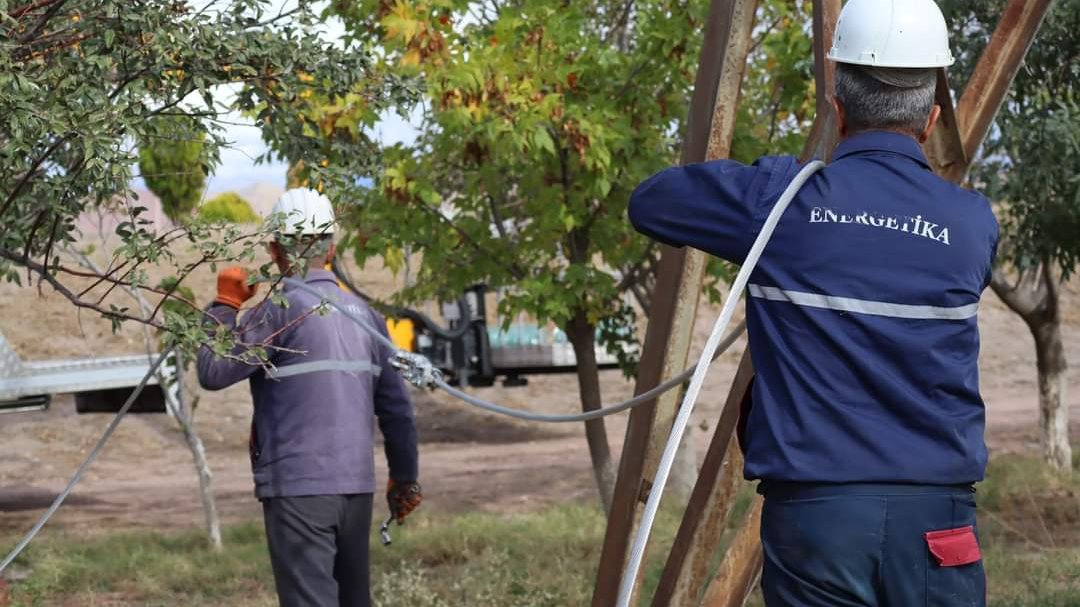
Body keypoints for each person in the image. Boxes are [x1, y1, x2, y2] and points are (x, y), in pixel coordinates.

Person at [627, 0, 997, 604]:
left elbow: (651, 202)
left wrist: (770, 183)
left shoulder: (776, 205)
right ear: (931, 119)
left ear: (837, 109)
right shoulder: (972, 225)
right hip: (938, 524)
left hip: (817, 527)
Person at [197, 188, 422, 607]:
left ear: (275, 249)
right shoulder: (368, 318)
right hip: (355, 489)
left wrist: (224, 305)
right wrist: (404, 479)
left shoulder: (278, 311)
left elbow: (212, 371)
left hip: (298, 491)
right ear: (331, 248)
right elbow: (398, 412)